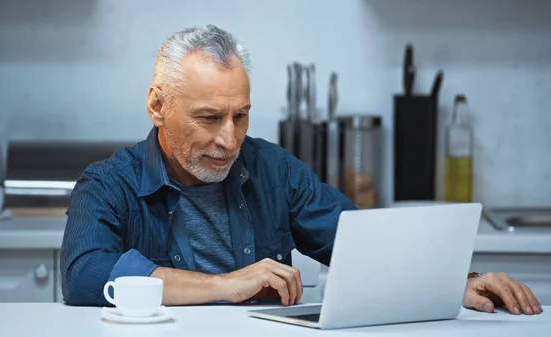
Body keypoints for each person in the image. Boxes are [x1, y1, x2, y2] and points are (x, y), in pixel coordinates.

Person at [60, 24, 542, 315]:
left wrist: (456, 281)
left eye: (241, 115)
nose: (229, 140)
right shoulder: (108, 183)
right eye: (209, 118)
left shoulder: (272, 168)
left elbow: (365, 246)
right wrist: (226, 286)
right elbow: (87, 276)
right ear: (158, 106)